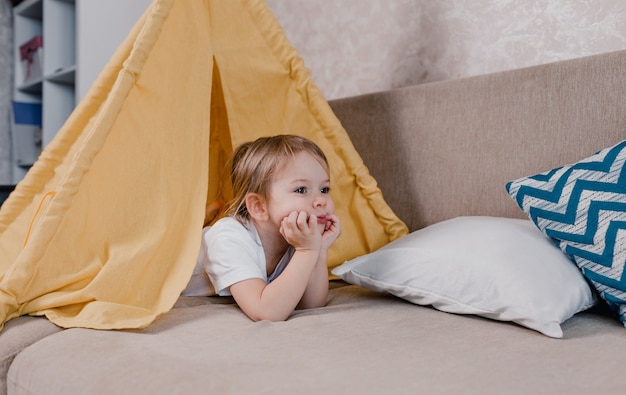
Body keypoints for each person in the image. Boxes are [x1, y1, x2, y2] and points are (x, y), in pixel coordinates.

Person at [182, 134, 341, 322]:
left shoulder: (296, 238)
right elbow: (266, 312)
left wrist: (319, 250)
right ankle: (202, 220)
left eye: (324, 189)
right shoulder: (229, 237)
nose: (321, 200)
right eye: (301, 190)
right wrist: (307, 251)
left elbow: (311, 305)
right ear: (259, 207)